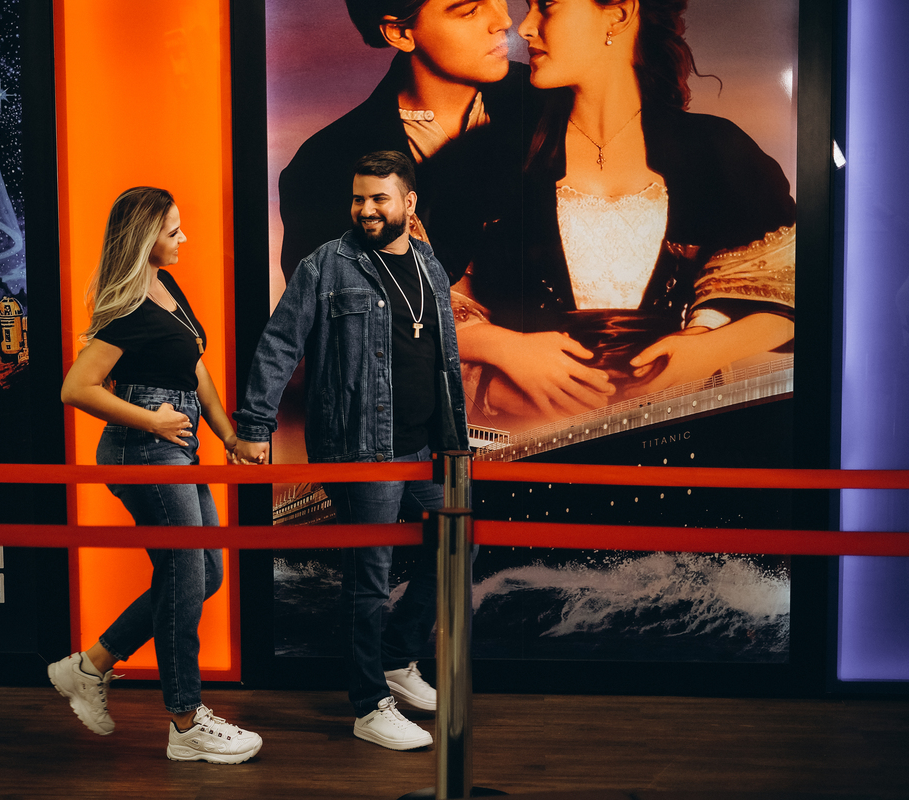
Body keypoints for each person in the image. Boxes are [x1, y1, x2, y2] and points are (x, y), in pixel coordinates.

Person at [447, 0, 795, 432]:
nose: (526, 27)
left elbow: (787, 285)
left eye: (548, 6)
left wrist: (709, 347)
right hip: (533, 438)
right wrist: (502, 352)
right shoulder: (491, 154)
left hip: (675, 433)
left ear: (619, 13)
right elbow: (412, 306)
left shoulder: (714, 147)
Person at [234, 151, 468, 751]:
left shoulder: (429, 265)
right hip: (361, 449)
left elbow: (441, 356)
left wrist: (453, 436)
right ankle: (369, 705)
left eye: (379, 199)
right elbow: (279, 344)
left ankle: (395, 658)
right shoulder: (325, 266)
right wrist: (256, 424)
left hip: (426, 445)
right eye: (359, 198)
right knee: (369, 578)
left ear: (408, 203)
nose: (366, 209)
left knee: (457, 544)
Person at [50, 186, 262, 765]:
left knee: (204, 573)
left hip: (178, 442)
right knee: (186, 576)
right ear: (145, 239)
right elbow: (75, 388)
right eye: (173, 231)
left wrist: (230, 436)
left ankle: (89, 665)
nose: (183, 238)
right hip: (144, 447)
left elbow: (195, 367)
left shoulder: (167, 289)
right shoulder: (127, 310)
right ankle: (186, 720)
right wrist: (152, 420)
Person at [278, 0, 532, 283]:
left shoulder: (550, 102)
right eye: (469, 10)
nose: (504, 21)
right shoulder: (321, 169)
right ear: (399, 33)